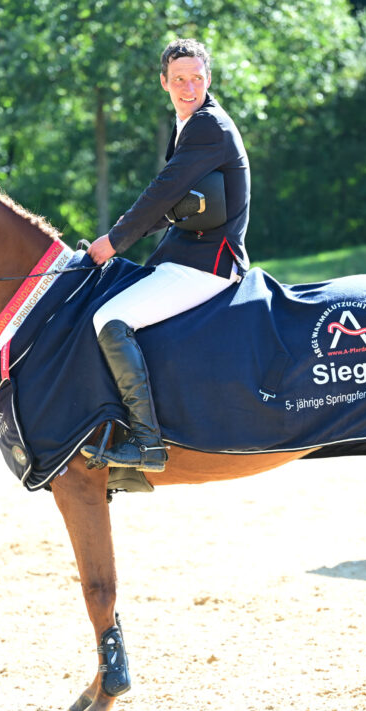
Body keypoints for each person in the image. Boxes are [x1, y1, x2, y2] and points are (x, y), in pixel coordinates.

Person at [81, 38, 251, 473]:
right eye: (179, 79)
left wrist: (114, 242)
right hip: (185, 255)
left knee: (109, 320)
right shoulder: (188, 125)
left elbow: (162, 193)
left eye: (196, 78)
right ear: (164, 82)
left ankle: (148, 444)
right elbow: (174, 205)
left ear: (208, 79)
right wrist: (116, 239)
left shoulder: (208, 126)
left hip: (209, 263)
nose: (188, 87)